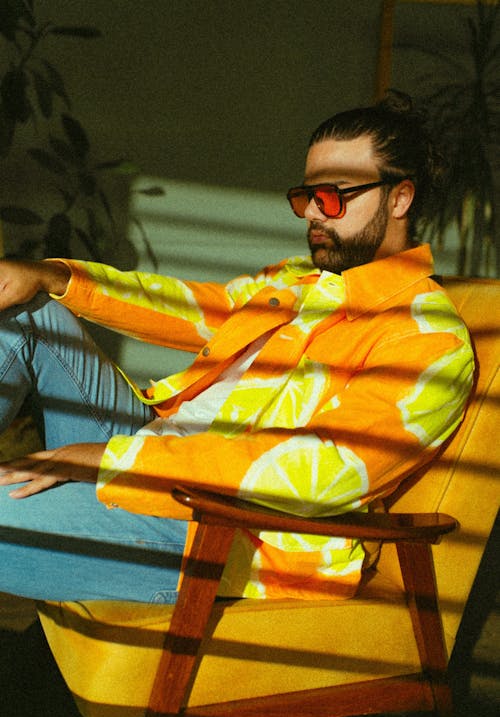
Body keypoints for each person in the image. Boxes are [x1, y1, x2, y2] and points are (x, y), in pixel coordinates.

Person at [0, 91, 474, 605]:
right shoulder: (297, 283)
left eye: (334, 196)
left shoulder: (427, 337)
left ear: (399, 198)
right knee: (33, 311)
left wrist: (108, 458)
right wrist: (50, 275)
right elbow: (189, 308)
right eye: (307, 196)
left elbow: (322, 473)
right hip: (156, 459)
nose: (315, 213)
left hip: (228, 531)